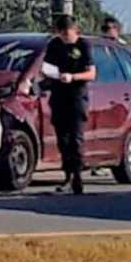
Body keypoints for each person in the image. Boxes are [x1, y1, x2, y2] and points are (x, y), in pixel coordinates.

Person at [42, 15, 97, 195]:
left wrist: (73, 77)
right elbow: (46, 68)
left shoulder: (83, 45)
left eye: (68, 34)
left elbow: (91, 73)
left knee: (76, 138)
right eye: (62, 34)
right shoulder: (54, 45)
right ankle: (67, 174)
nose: (65, 37)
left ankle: (77, 176)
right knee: (62, 139)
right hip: (58, 96)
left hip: (76, 96)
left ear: (75, 30)